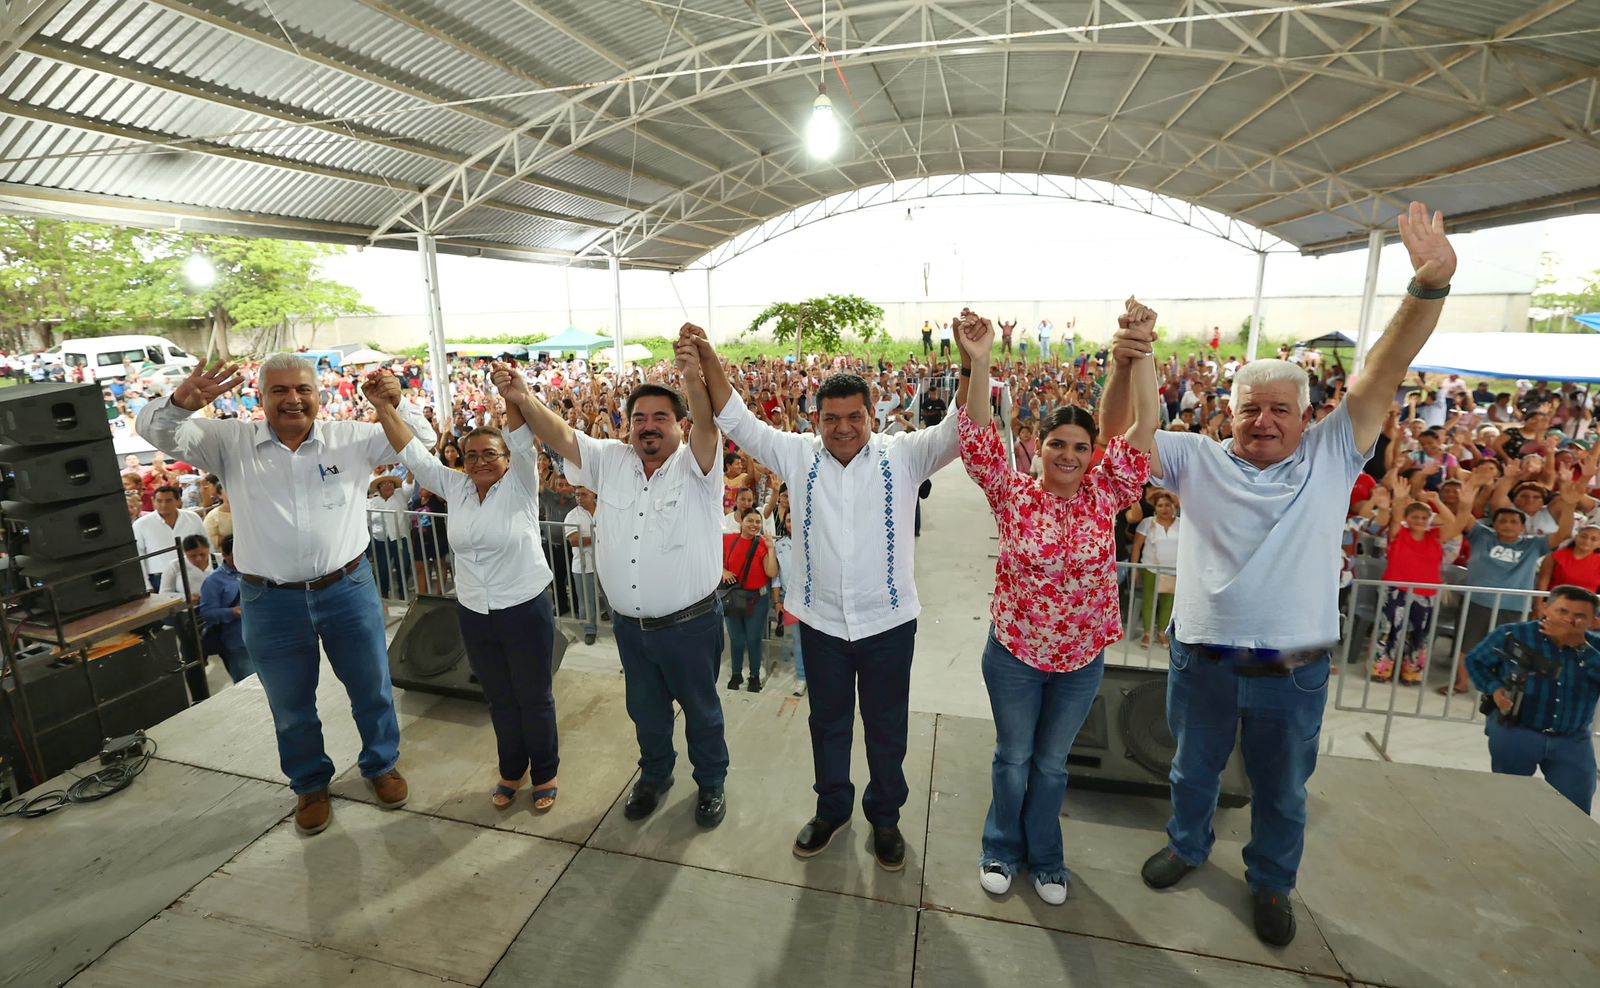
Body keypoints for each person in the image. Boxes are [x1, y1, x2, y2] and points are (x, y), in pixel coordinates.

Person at [1135, 202, 1459, 946]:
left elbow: (1384, 367)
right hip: (1205, 658)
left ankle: (1272, 882)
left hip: (1295, 665)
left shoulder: (1335, 451)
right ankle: (1188, 846)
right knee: (1192, 772)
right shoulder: (1196, 457)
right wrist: (1139, 354)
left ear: (1308, 416)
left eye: (1281, 409)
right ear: (1230, 411)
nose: (1264, 422)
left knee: (1283, 791)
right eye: (1251, 409)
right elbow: (1138, 432)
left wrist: (1429, 287)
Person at [685, 319, 963, 874]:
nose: (843, 428)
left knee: (887, 728)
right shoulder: (797, 454)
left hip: (887, 625)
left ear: (872, 413)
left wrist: (972, 361)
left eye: (854, 417)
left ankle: (886, 818)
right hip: (823, 626)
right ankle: (832, 809)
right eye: (831, 418)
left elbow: (960, 430)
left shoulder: (903, 456)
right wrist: (709, 356)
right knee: (828, 725)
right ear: (816, 419)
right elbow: (733, 414)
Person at [136, 356, 432, 836]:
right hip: (269, 601)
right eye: (279, 390)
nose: (292, 398)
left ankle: (381, 766)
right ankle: (310, 784)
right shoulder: (228, 442)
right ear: (260, 397)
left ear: (319, 395)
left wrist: (397, 402)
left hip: (349, 588)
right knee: (291, 704)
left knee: (372, 687)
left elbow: (421, 442)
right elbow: (158, 433)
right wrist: (176, 404)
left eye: (302, 389)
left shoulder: (351, 438)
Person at [957, 301, 1158, 905]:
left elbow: (1145, 424)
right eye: (1057, 444)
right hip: (1015, 656)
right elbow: (976, 438)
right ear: (1037, 447)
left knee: (1051, 766)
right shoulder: (1013, 495)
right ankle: (1000, 846)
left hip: (1078, 663)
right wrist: (981, 363)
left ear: (1093, 453)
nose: (1068, 454)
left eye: (1079, 445)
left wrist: (1143, 347)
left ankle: (1046, 857)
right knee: (1013, 758)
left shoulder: (1105, 495)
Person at [495, 353, 730, 830]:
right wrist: (522, 395)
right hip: (631, 628)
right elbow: (559, 434)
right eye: (639, 418)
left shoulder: (699, 465)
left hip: (690, 626)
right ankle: (656, 777)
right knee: (645, 711)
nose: (648, 426)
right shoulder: (610, 461)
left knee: (703, 713)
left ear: (681, 426)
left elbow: (708, 420)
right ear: (628, 427)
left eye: (661, 417)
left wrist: (690, 375)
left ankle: (710, 783)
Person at [369, 368, 560, 813]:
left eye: (489, 453)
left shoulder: (520, 484)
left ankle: (545, 771)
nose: (479, 462)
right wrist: (384, 408)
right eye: (471, 456)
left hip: (525, 605)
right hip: (474, 611)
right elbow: (414, 455)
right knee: (499, 699)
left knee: (534, 698)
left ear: (506, 458)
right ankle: (512, 769)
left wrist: (510, 394)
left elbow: (519, 437)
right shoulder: (455, 488)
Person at [1465, 585, 1600, 813]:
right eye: (1562, 611)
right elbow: (1476, 661)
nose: (1569, 621)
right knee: (1510, 803)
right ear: (1545, 608)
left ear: (1594, 621)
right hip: (1516, 731)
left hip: (1572, 740)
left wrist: (1580, 647)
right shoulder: (1513, 635)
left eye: (1579, 616)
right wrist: (1495, 689)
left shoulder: (1595, 648)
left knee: (1575, 809)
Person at [1373, 490, 1455, 685]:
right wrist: (1400, 502)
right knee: (1389, 629)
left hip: (1427, 593)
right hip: (1396, 590)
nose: (1420, 520)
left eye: (1425, 517)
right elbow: (1394, 520)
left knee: (1421, 633)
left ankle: (1412, 671)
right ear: (1407, 519)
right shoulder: (1398, 534)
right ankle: (1381, 669)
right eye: (1415, 517)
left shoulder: (1435, 536)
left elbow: (1451, 521)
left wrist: (1436, 501)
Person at [722, 507, 779, 692]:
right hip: (734, 598)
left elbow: (771, 572)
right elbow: (713, 560)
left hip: (757, 600)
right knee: (736, 639)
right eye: (750, 521)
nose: (754, 525)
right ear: (741, 522)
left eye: (758, 522)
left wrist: (771, 550)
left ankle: (754, 676)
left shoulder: (763, 544)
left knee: (754, 639)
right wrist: (722, 571)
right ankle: (736, 674)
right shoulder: (728, 540)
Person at [200, 535, 254, 683]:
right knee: (248, 686)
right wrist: (233, 612)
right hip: (238, 643)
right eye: (237, 556)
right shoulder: (214, 581)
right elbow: (207, 613)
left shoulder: (255, 571)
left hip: (264, 637)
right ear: (224, 555)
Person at [1131, 490, 1181, 648]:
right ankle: (1147, 634)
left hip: (1174, 570)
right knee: (1149, 601)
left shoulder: (1182, 523)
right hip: (1150, 568)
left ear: (1174, 506)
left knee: (1169, 603)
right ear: (1155, 507)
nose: (1164, 509)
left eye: (1168, 505)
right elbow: (1136, 547)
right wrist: (1134, 569)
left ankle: (1162, 633)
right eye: (1160, 505)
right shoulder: (1147, 522)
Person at [132, 484, 205, 591]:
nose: (163, 505)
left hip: (192, 572)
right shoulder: (141, 524)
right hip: (159, 576)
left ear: (178, 501)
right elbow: (139, 556)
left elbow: (206, 545)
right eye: (159, 501)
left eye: (168, 500)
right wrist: (146, 584)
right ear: (153, 501)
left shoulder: (192, 518)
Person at [564, 487, 600, 645]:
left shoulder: (605, 509)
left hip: (606, 564)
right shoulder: (572, 515)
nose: (579, 498)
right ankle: (589, 630)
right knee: (586, 602)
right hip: (583, 565)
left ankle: (618, 627)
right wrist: (602, 536)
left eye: (583, 494)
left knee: (613, 598)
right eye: (577, 494)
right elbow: (574, 540)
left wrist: (590, 538)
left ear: (594, 495)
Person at [366, 475, 411, 599]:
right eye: (384, 484)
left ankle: (404, 595)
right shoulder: (371, 502)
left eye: (390, 483)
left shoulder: (401, 495)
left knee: (404, 567)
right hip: (380, 541)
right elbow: (368, 522)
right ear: (379, 488)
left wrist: (410, 471)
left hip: (399, 538)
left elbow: (409, 486)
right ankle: (384, 597)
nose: (388, 486)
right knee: (382, 571)